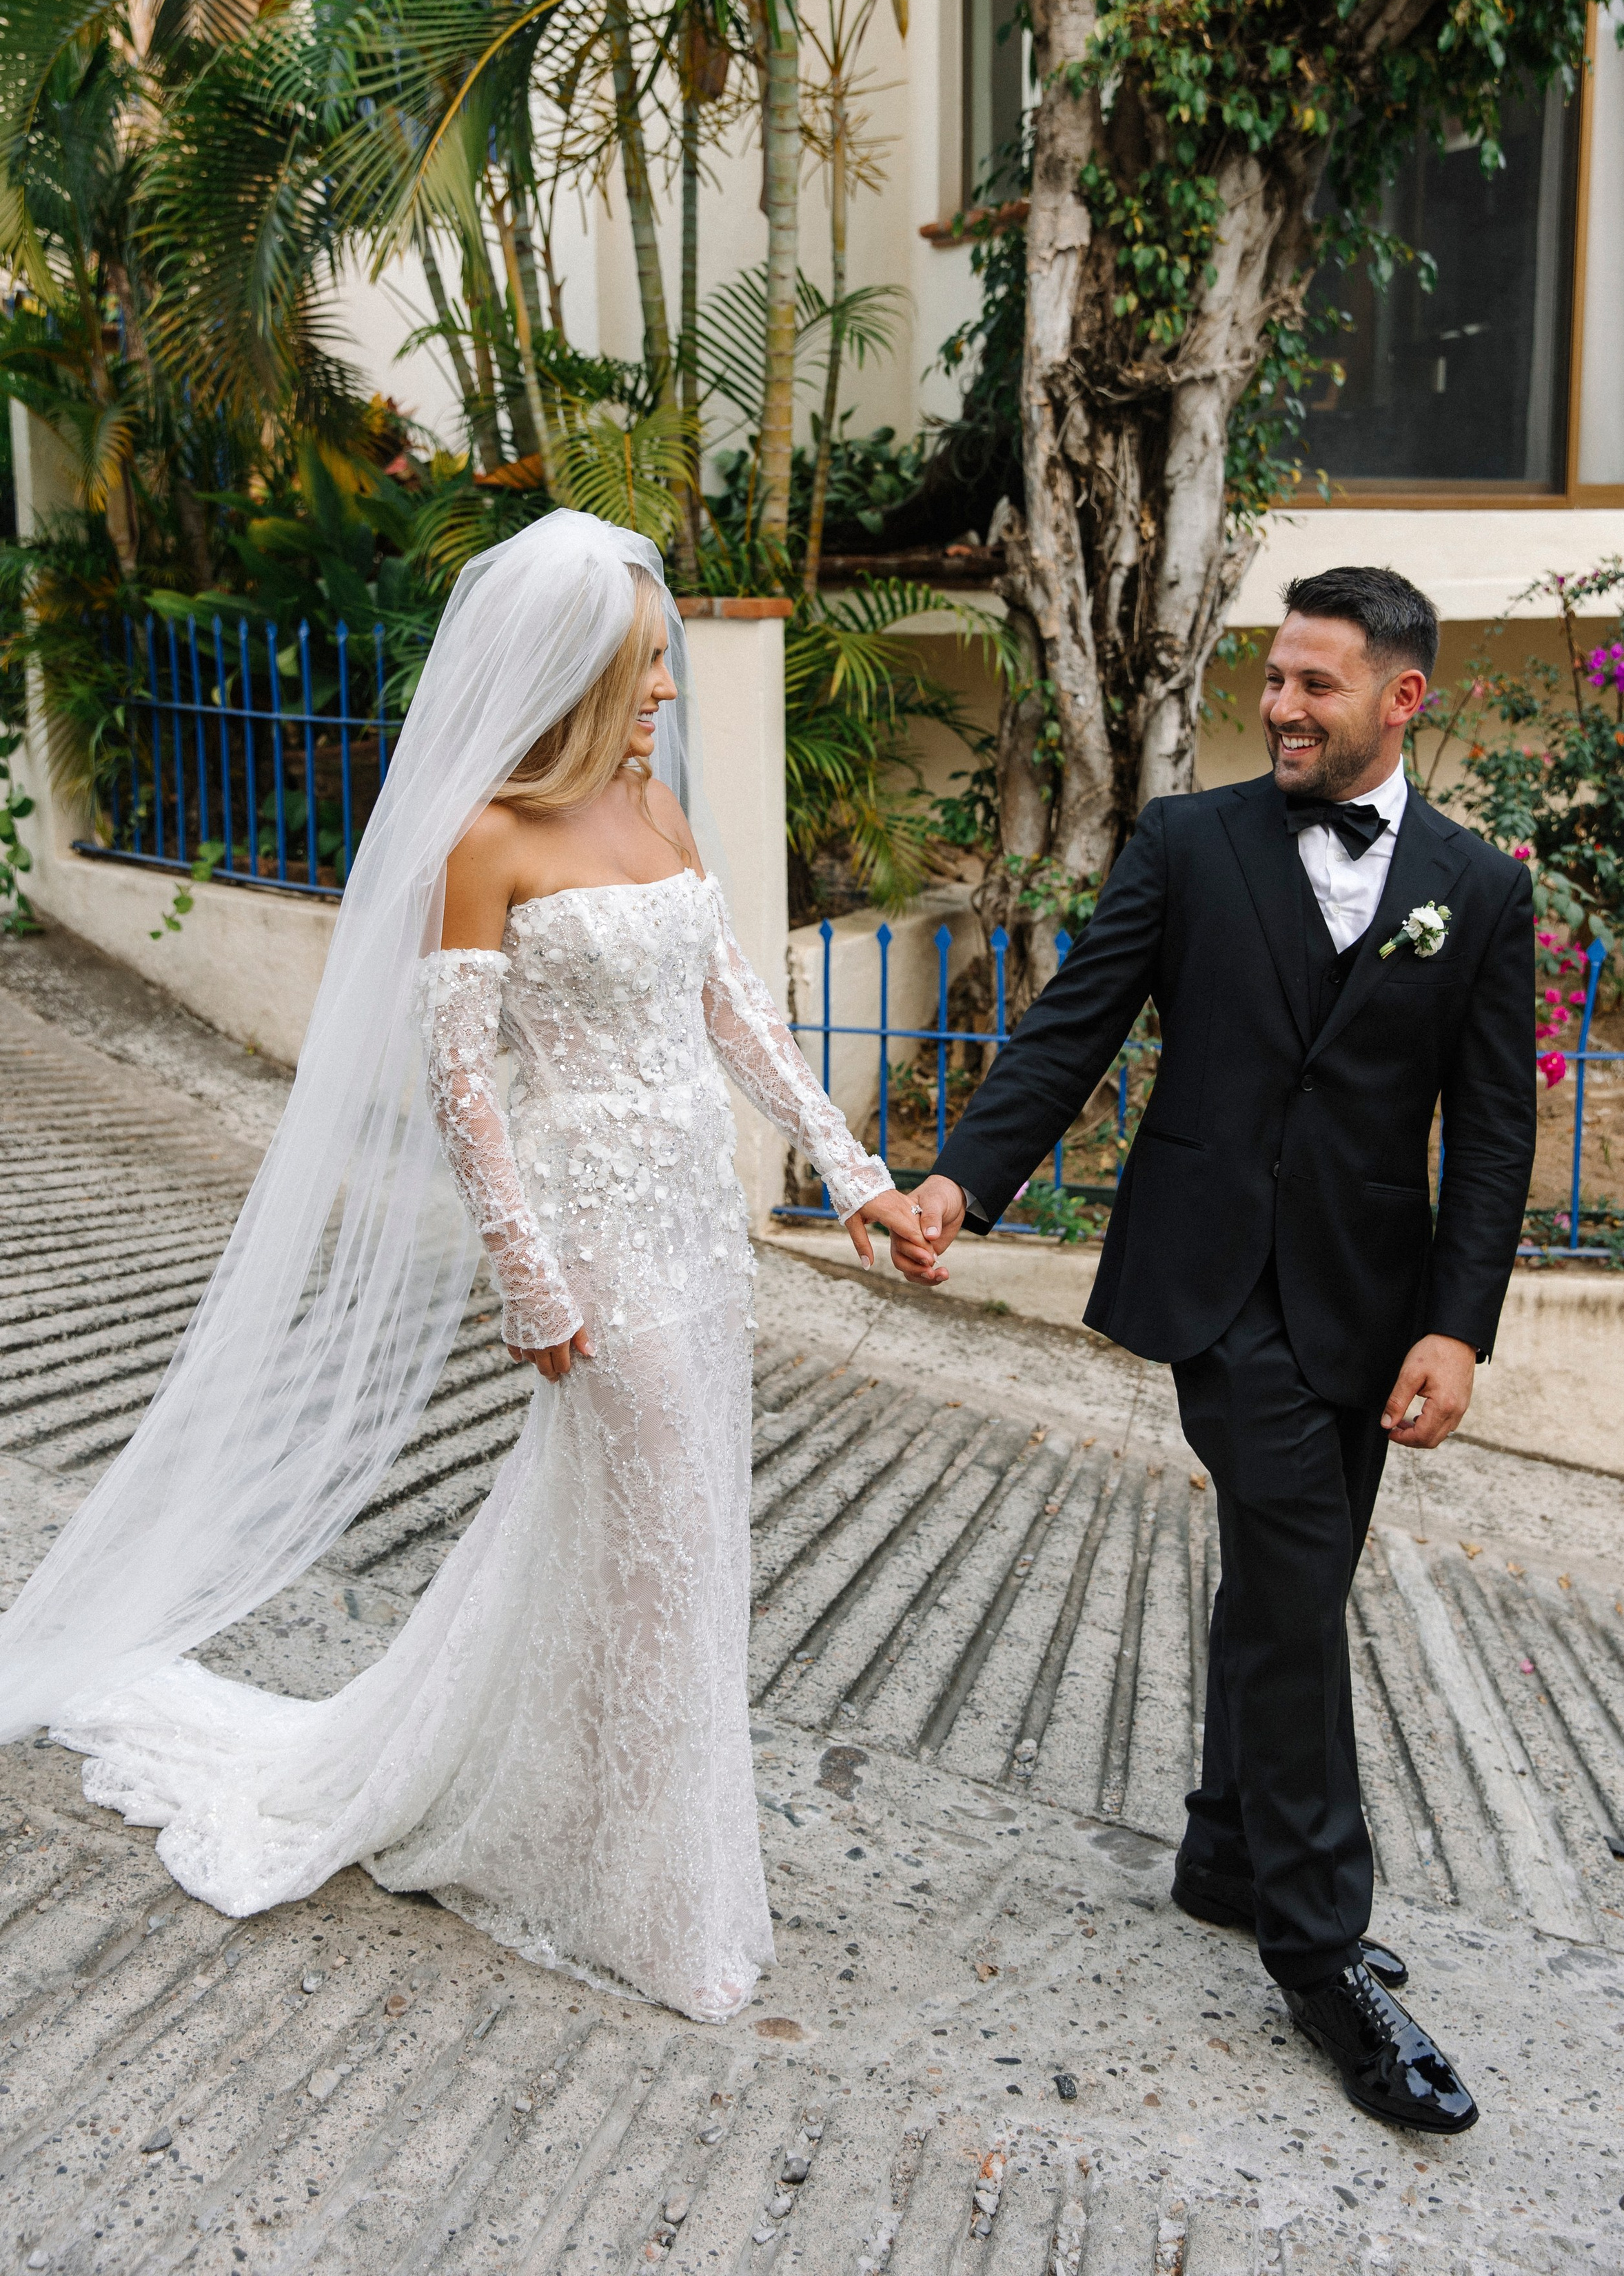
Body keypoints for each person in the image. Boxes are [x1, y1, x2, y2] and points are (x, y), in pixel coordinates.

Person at [0, 513, 935, 2024]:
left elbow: (735, 1015)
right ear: (572, 669)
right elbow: (462, 1085)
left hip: (697, 1233)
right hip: (594, 1247)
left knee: (672, 1544)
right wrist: (529, 1277)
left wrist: (861, 1182)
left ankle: (588, 1819)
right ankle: (652, 1900)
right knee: (660, 1552)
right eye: (644, 667)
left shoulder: (659, 815)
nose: (667, 694)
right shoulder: (484, 841)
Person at [895, 566, 1536, 2132]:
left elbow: (1494, 1133)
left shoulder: (1478, 888)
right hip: (1213, 1289)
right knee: (1302, 1595)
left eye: (1316, 685)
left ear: (1401, 699)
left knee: (1278, 1580)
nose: (1279, 706)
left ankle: (1223, 1852)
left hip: (1366, 1302)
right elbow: (1076, 1025)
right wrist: (960, 1178)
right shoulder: (1187, 843)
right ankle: (1322, 1961)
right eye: (1272, 678)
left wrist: (1455, 1328)